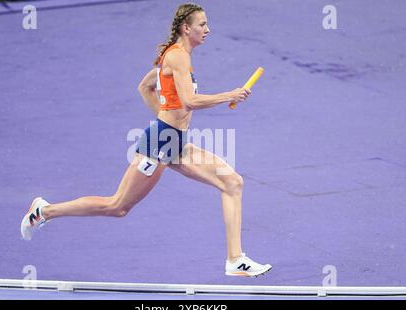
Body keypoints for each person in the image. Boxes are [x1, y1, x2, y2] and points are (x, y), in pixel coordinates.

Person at [21, 3, 272, 277]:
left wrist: (167, 118)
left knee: (232, 182)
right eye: (202, 24)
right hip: (161, 143)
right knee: (117, 206)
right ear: (186, 28)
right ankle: (45, 211)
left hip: (173, 140)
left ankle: (235, 260)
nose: (208, 30)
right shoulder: (178, 58)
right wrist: (229, 95)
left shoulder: (174, 56)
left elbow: (145, 87)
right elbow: (189, 101)